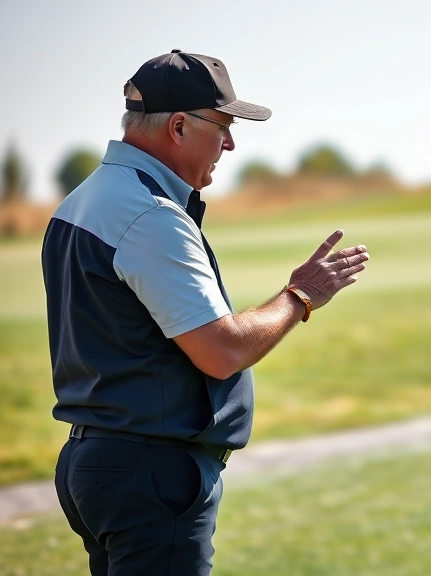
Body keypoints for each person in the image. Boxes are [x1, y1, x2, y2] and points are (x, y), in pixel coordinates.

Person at [41, 49, 369, 575]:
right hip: (150, 472)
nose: (231, 143)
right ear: (177, 127)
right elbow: (223, 351)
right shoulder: (150, 215)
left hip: (99, 462)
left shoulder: (84, 199)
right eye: (222, 126)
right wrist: (300, 295)